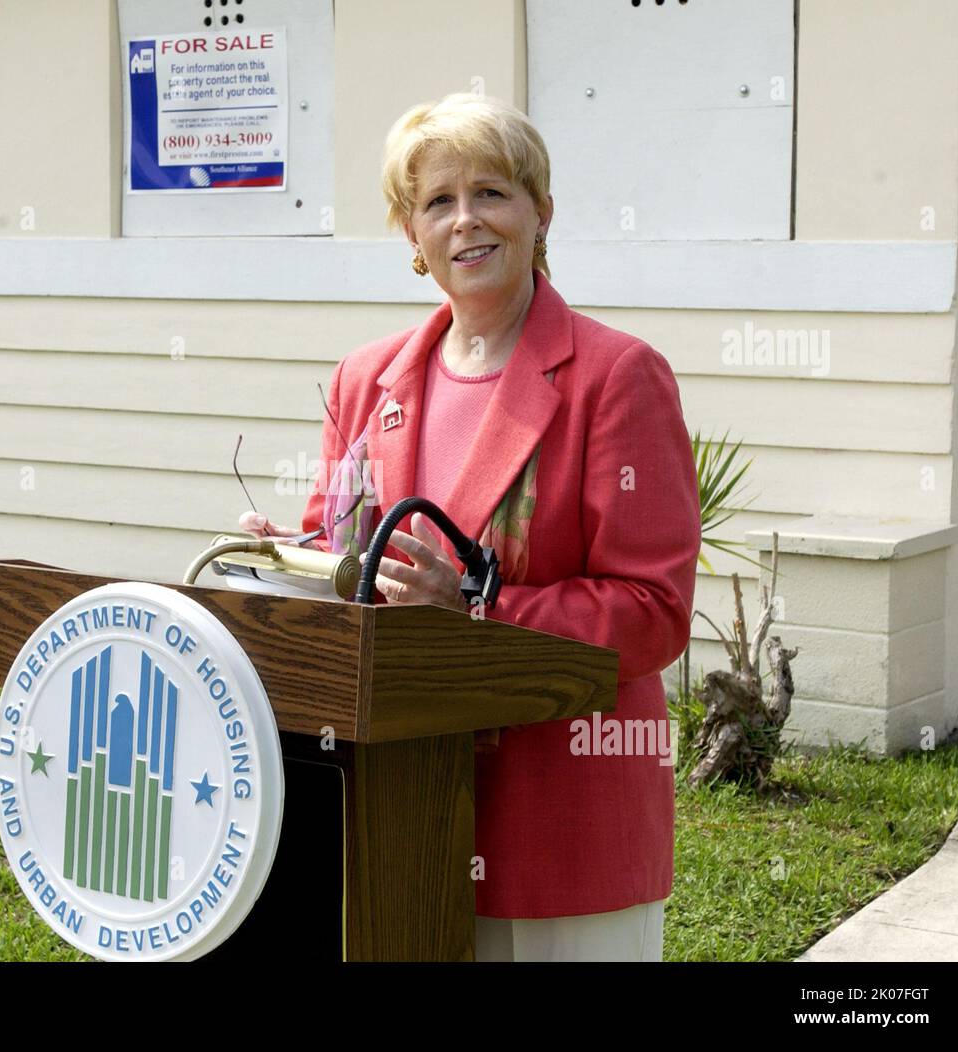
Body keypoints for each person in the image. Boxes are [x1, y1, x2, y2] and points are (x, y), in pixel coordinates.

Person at [239, 93, 700, 961]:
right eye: (438, 202)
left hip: (554, 826)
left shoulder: (617, 378)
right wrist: (284, 565)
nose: (465, 221)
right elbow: (344, 558)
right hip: (392, 825)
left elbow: (652, 610)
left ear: (540, 212)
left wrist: (478, 609)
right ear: (411, 235)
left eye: (491, 192)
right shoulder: (360, 380)